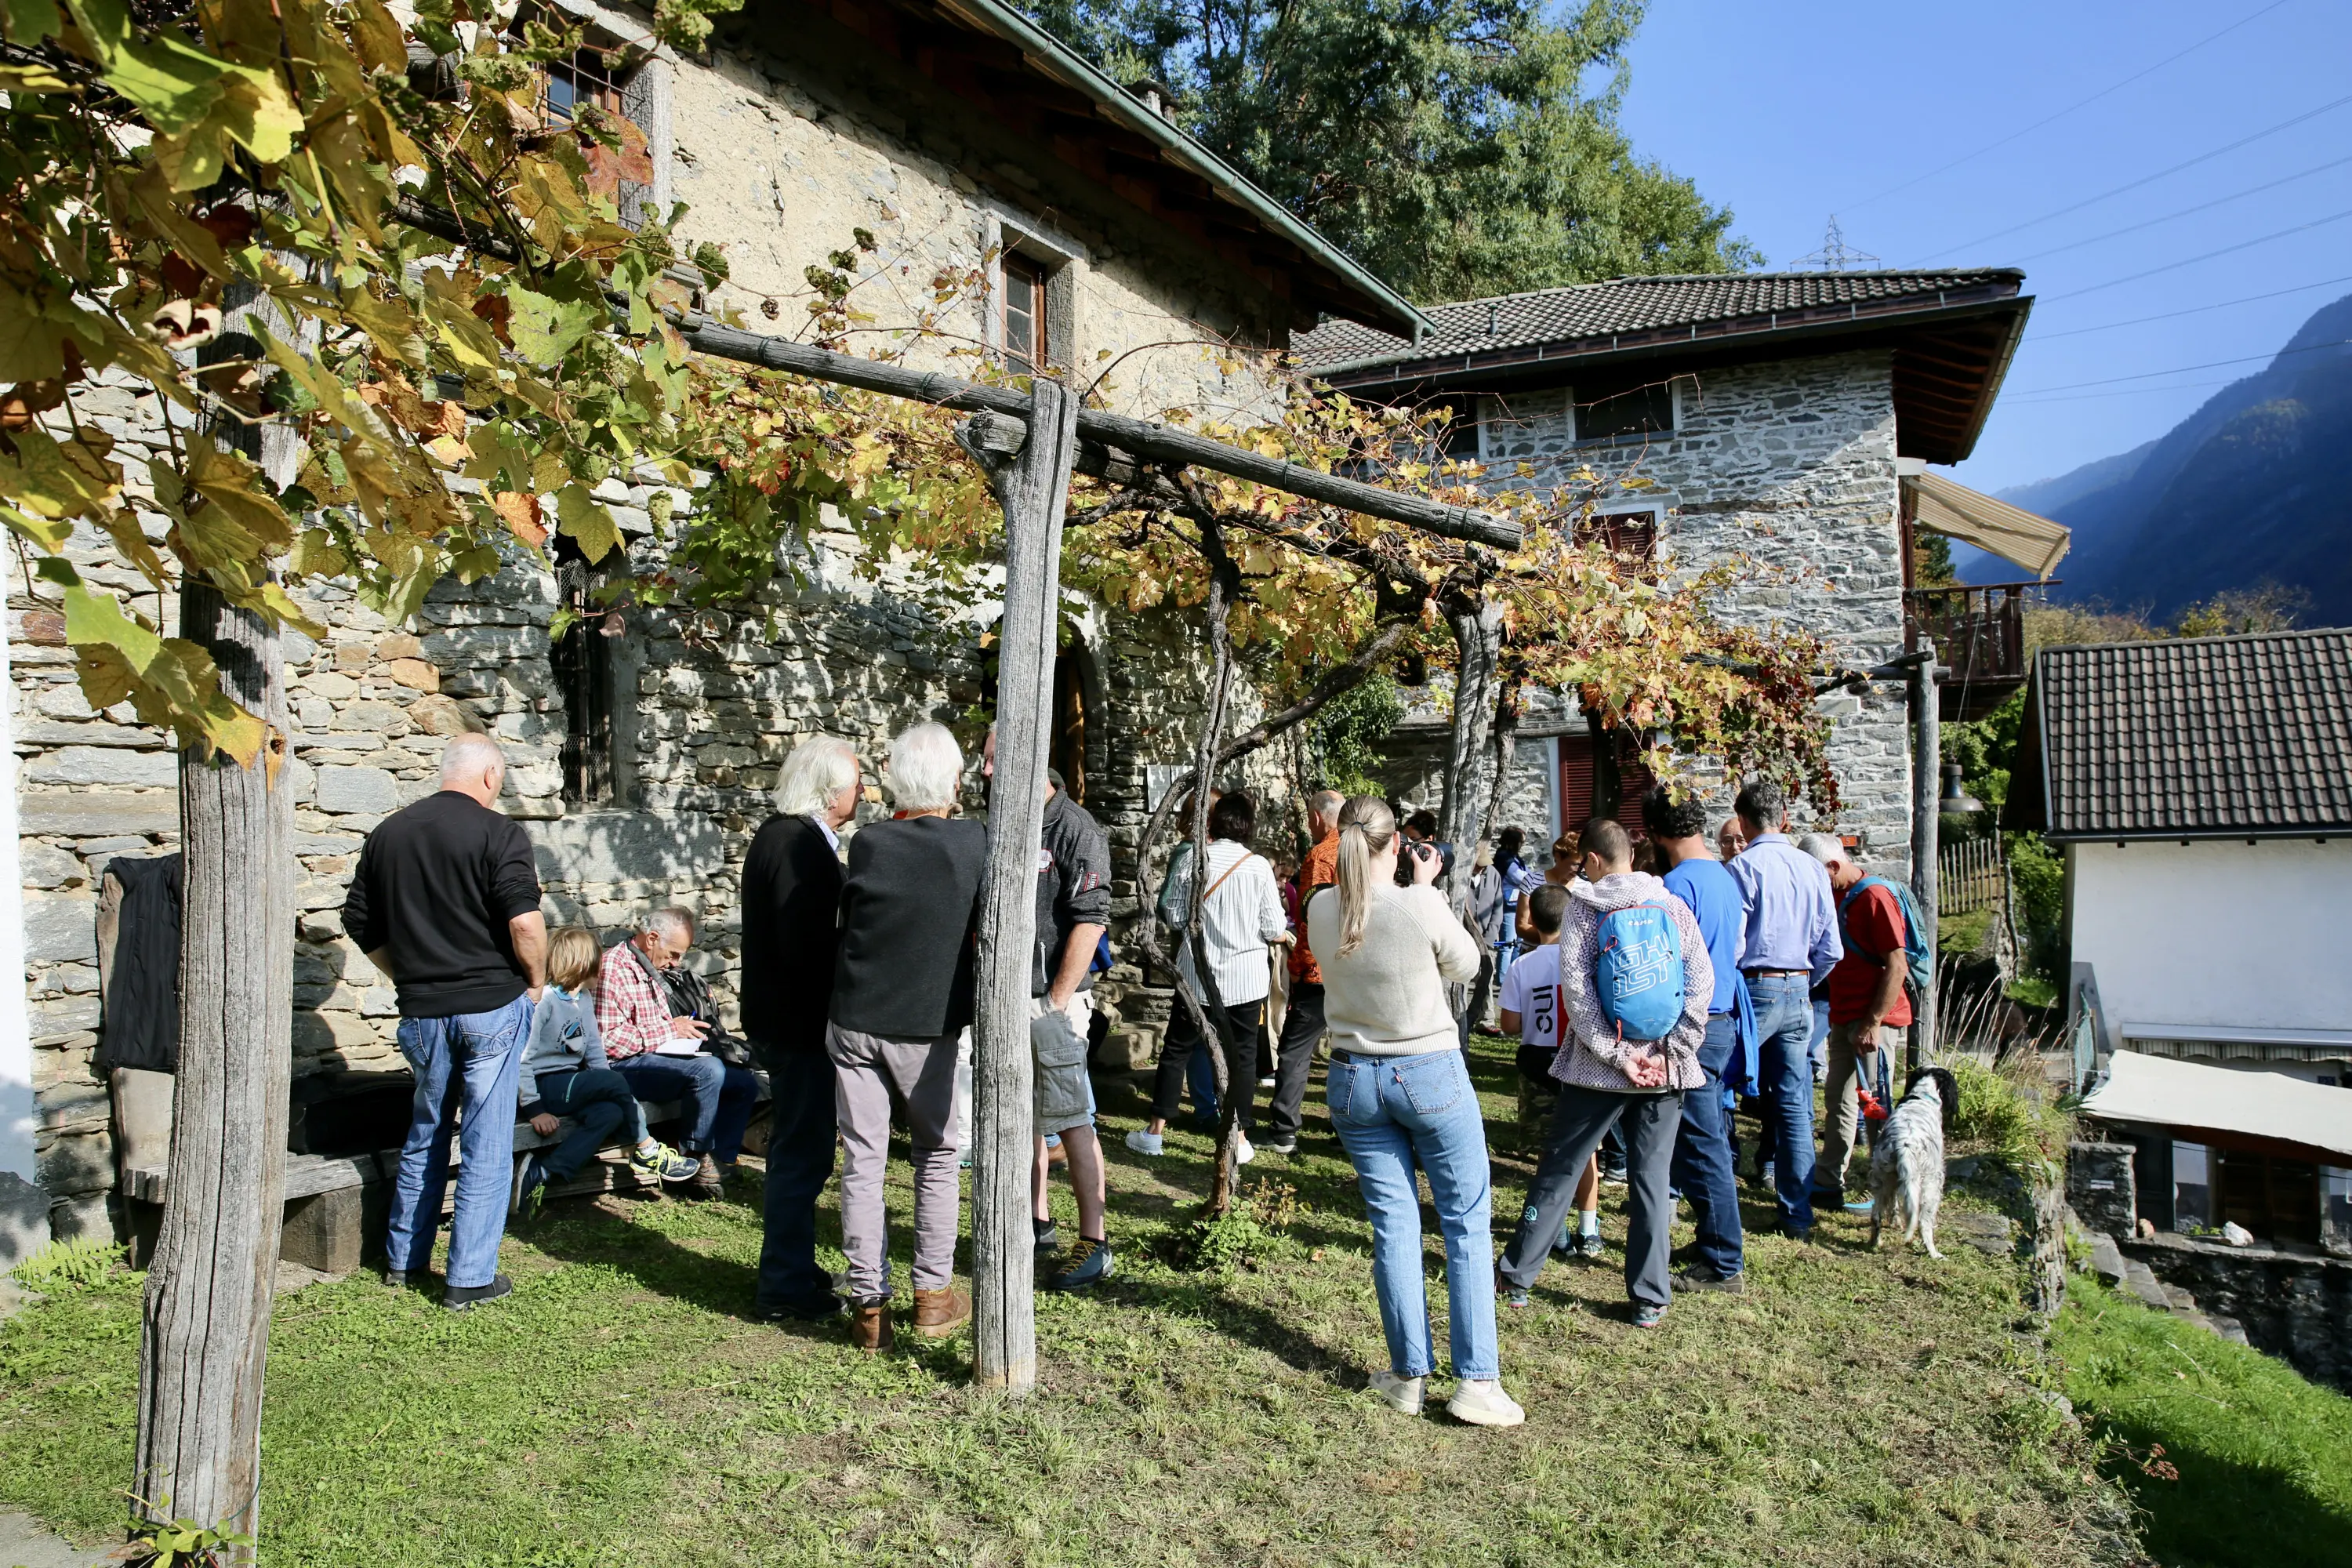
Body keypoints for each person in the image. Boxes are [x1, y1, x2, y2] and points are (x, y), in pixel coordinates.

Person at [1308, 797, 1523, 1428]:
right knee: (1464, 1221)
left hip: (1353, 1076)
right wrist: (1428, 890)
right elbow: (1466, 963)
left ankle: (1408, 1374)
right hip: (1426, 1067)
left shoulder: (1322, 907)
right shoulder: (1417, 901)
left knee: (1394, 1226)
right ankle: (1476, 1382)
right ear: (1395, 842)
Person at [343, 732, 548, 1311]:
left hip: (423, 1011)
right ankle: (469, 1277)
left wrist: (405, 974)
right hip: (489, 1006)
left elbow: (359, 920)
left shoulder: (390, 833)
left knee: (427, 1130)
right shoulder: (498, 832)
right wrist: (535, 981)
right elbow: (525, 924)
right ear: (488, 777)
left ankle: (404, 1261)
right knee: (484, 1140)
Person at [1497, 819, 1711, 1328]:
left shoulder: (1584, 911)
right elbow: (1701, 984)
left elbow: (1578, 994)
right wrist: (1671, 1050)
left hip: (1596, 1070)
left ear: (1592, 860)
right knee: (1651, 1182)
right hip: (1665, 1066)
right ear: (1631, 857)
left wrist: (1616, 1055)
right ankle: (1649, 1299)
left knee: (1561, 1168)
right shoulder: (1673, 907)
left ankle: (1517, 1276)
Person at [828, 724, 989, 1351]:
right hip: (926, 1022)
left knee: (864, 1159)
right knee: (936, 1155)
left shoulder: (868, 842)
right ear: (952, 781)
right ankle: (932, 1295)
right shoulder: (971, 841)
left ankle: (870, 1307)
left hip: (856, 1015)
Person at [982, 728, 1116, 1291]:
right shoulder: (1005, 819)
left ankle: (1095, 1243)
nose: (985, 773)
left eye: (993, 761)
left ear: (1028, 761)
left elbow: (1091, 919)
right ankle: (1038, 1223)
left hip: (1053, 1004)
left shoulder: (1075, 827)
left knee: (1070, 1118)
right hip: (1008, 1001)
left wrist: (1054, 1005)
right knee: (1022, 1119)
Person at [744, 735, 859, 1323]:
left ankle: (791, 1267)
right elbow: (805, 944)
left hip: (782, 1018)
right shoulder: (801, 847)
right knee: (802, 1155)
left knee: (801, 1150)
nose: (861, 792)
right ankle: (784, 1286)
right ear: (830, 789)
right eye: (856, 782)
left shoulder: (778, 835)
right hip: (799, 1023)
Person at [1129, 790, 1288, 1159]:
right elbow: (1272, 926)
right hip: (1246, 980)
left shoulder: (1194, 861)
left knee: (1176, 1051)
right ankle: (1241, 1138)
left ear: (1213, 822)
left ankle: (1156, 1131)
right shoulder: (1259, 866)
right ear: (1248, 826)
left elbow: (1172, 913)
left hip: (1197, 975)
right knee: (1244, 1057)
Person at [1724, 779, 1842, 1240]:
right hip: (1799, 988)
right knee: (1795, 1104)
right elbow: (1830, 947)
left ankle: (1720, 1196)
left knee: (1723, 1087)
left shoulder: (1742, 868)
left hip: (1756, 986)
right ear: (1784, 819)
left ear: (1746, 823)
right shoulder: (1812, 868)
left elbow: (1733, 944)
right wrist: (1804, 981)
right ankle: (1796, 1213)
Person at [514, 927, 699, 1218]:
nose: (604, 964)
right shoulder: (546, 1001)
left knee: (609, 1114)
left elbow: (594, 1051)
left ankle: (544, 1172)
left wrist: (607, 1083)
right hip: (544, 1086)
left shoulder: (583, 998)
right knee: (612, 1081)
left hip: (572, 1082)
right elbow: (522, 1059)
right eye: (598, 958)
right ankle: (647, 1147)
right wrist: (534, 1107)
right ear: (582, 963)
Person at [1643, 786, 1747, 1291]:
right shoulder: (1724, 877)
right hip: (1721, 1017)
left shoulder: (1676, 887)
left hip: (1694, 1024)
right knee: (1694, 1140)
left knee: (1704, 1144)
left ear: (1656, 833)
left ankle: (1725, 1261)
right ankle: (1712, 1236)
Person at [598, 907, 761, 1197]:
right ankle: (694, 1160)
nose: (677, 962)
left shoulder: (652, 967)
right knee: (708, 1072)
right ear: (651, 939)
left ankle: (721, 1158)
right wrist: (671, 1030)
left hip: (655, 1056)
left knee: (742, 1082)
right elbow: (609, 1042)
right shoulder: (614, 968)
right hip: (621, 1069)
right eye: (674, 954)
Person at [1498, 884, 1604, 1260]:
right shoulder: (1587, 960)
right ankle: (1589, 1229)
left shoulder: (1522, 966)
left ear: (1532, 922)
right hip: (1582, 1063)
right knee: (1586, 1149)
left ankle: (1554, 1229)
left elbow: (1509, 1025)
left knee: (1547, 1150)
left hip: (1538, 1065)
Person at [1809, 840, 1915, 1207]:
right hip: (1843, 1015)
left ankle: (1884, 1187)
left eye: (1817, 874)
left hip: (1875, 1021)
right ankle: (1827, 1184)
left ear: (1834, 867)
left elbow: (1897, 965)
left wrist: (1871, 1023)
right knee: (1838, 1097)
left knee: (1876, 1106)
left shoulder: (1875, 898)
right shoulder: (1837, 896)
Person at [1264, 789, 1343, 1153]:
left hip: (1321, 969)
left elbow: (1311, 918)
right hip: (1357, 968)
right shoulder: (1366, 850)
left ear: (1315, 818)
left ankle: (1284, 1129)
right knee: (1353, 1050)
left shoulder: (1322, 855)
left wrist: (1300, 966)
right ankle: (1352, 1127)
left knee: (1296, 1048)